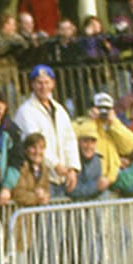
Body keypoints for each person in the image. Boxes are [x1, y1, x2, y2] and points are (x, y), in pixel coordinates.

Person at [11, 65, 78, 194]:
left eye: (47, 82)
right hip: (41, 177)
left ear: (53, 84)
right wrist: (55, 165)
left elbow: (70, 140)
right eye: (39, 83)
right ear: (32, 85)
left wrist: (72, 169)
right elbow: (34, 143)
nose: (43, 87)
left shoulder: (60, 110)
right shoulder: (26, 111)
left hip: (63, 178)